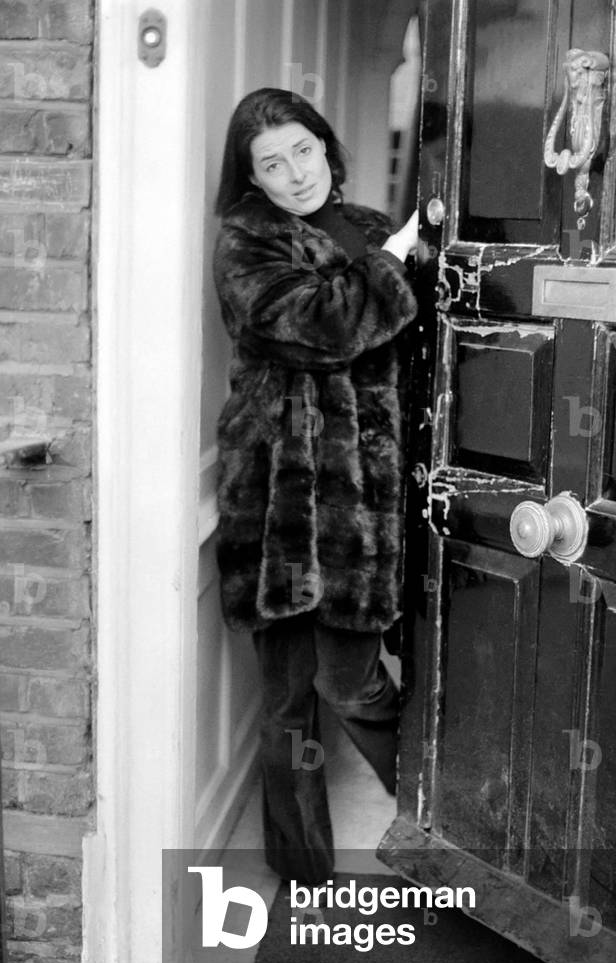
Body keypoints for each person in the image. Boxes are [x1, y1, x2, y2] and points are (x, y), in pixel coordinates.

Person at [213, 87, 418, 884]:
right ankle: (302, 869)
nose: (295, 173)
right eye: (272, 163)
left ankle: (437, 820)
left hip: (364, 500)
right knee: (288, 699)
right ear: (252, 179)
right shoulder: (247, 245)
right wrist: (397, 263)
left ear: (326, 148)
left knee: (351, 679)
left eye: (303, 150)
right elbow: (325, 327)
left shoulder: (369, 227)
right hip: (280, 500)